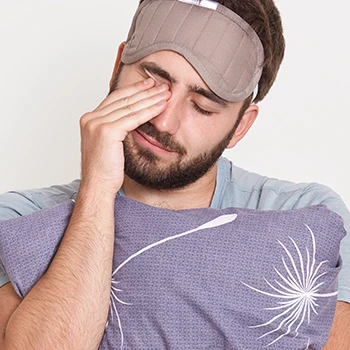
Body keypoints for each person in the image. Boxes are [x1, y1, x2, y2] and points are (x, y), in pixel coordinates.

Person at [0, 0, 349, 348]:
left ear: (241, 126)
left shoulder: (305, 219)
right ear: (117, 68)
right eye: (153, 83)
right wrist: (98, 190)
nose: (164, 121)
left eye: (202, 107)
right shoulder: (19, 219)